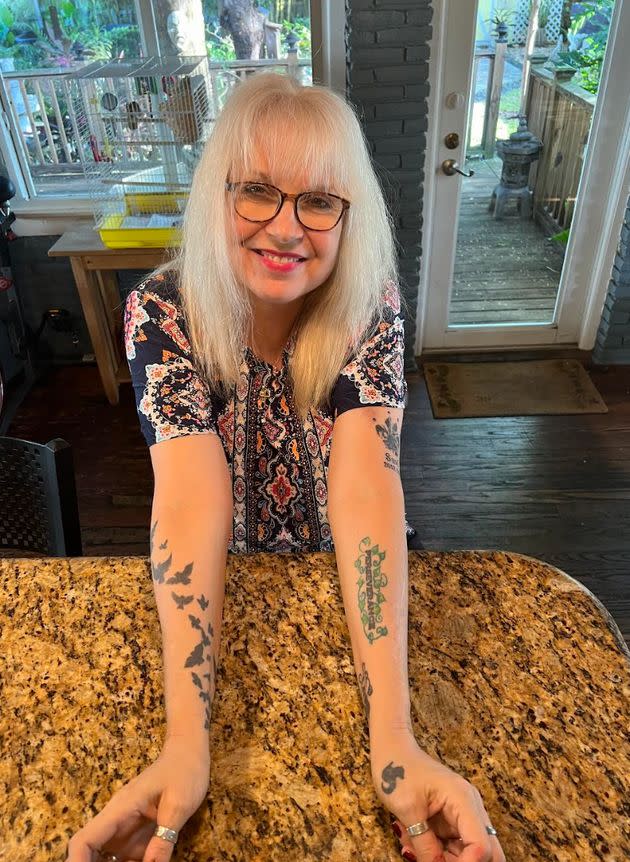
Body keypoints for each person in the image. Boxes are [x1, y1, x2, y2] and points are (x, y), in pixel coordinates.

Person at [65, 73, 505, 862]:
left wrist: (396, 738)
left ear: (347, 216)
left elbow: (369, 489)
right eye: (258, 191)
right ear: (217, 196)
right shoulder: (162, 312)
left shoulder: (369, 307)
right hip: (227, 575)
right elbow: (191, 501)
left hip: (351, 585)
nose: (286, 227)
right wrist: (185, 744)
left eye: (319, 201)